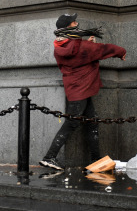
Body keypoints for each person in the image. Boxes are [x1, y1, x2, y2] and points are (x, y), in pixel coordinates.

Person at [39, 13, 126, 170]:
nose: (77, 23)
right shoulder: (83, 48)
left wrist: (86, 44)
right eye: (74, 22)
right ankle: (49, 157)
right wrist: (121, 52)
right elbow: (103, 49)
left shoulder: (59, 46)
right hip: (82, 90)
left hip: (76, 89)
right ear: (69, 27)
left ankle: (96, 161)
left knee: (92, 122)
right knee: (72, 123)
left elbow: (78, 52)